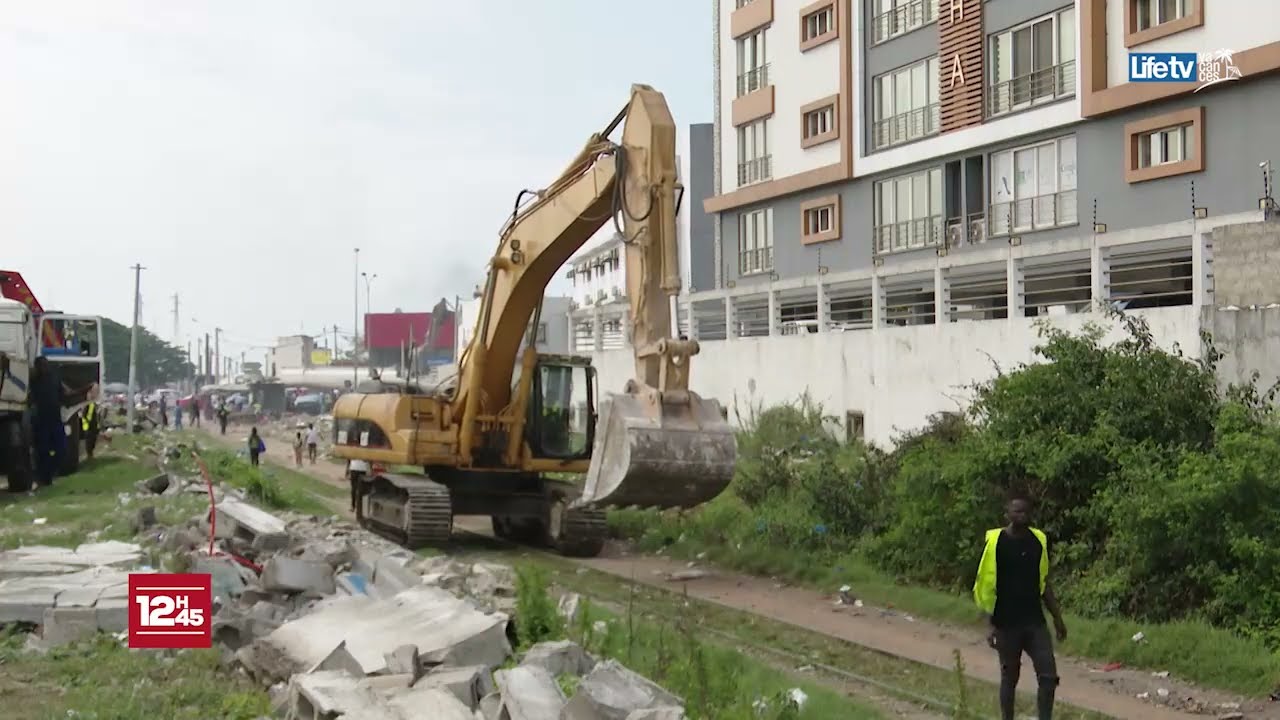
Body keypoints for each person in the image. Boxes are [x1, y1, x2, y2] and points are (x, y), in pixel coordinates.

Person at [973, 494, 1068, 720]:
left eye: (1025, 511)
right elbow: (986, 586)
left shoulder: (1038, 542)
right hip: (1006, 624)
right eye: (1016, 511)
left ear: (1031, 514)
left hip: (1034, 622)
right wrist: (990, 625)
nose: (1021, 515)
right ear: (1007, 514)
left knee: (1048, 676)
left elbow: (1044, 583)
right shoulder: (996, 543)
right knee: (1010, 676)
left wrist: (1057, 618)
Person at [29, 357, 65, 489]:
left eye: (45, 365)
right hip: (41, 421)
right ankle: (44, 478)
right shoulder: (33, 381)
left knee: (61, 449)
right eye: (41, 366)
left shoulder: (54, 379)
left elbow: (63, 395)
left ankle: (48, 474)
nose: (44, 368)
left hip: (55, 420)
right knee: (42, 451)